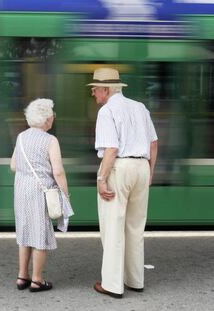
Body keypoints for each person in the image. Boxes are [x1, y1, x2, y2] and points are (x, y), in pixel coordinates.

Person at [88, 68, 158, 298]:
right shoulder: (140, 107)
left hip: (119, 168)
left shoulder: (107, 111)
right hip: (142, 167)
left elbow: (111, 148)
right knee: (135, 228)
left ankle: (112, 285)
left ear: (106, 90)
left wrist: (101, 179)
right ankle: (135, 280)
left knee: (113, 227)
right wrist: (150, 172)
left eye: (96, 89)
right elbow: (154, 143)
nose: (94, 94)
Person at [10, 98, 71, 292]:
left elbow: (13, 165)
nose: (53, 118)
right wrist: (66, 194)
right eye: (52, 115)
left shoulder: (21, 137)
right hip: (40, 190)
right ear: (46, 119)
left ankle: (22, 276)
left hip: (21, 188)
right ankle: (37, 279)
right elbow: (58, 172)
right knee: (40, 234)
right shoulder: (50, 140)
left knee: (25, 231)